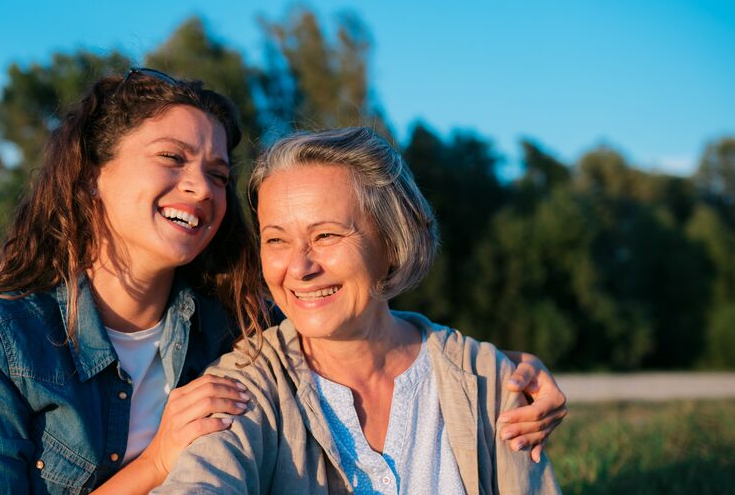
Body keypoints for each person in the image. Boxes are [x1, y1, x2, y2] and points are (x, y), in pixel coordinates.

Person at [0, 70, 565, 494]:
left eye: (219, 173)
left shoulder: (233, 323)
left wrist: (500, 371)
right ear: (93, 177)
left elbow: (352, 333)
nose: (202, 188)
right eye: (172, 159)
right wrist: (156, 462)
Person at [156, 127, 561, 494]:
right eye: (276, 240)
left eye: (326, 235)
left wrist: (494, 369)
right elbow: (201, 481)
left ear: (392, 242)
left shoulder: (489, 381)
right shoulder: (245, 384)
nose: (299, 268)